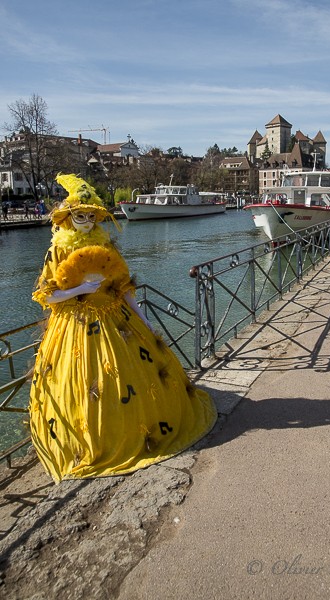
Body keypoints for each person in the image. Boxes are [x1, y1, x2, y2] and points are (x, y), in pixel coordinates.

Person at [29, 174, 216, 482]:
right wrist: (80, 289)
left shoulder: (106, 246)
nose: (87, 222)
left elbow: (124, 289)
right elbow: (48, 295)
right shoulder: (58, 251)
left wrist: (144, 320)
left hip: (118, 321)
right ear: (68, 216)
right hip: (73, 325)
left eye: (91, 216)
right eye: (80, 216)